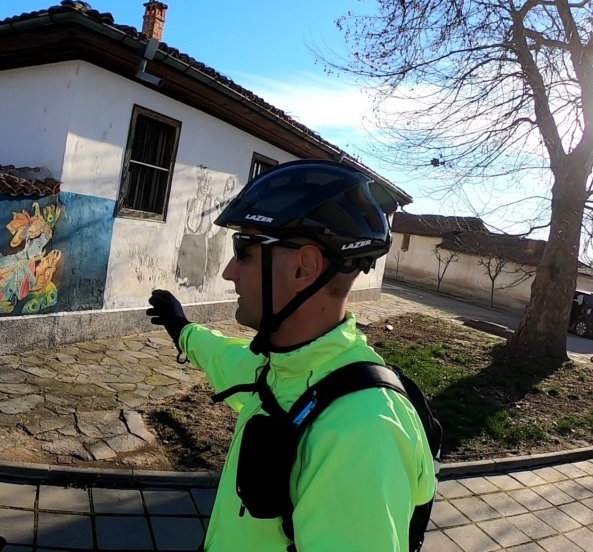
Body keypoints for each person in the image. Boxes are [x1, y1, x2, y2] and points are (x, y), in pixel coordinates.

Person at [147, 160, 436, 552]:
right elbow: (224, 357)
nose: (229, 272)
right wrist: (181, 329)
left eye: (243, 250)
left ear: (304, 268)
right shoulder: (286, 369)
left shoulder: (361, 432)